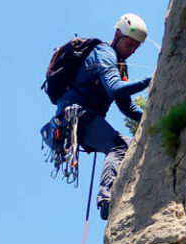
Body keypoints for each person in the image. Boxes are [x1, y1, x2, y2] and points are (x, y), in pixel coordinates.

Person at [53, 14, 151, 219]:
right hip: (76, 114)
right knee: (118, 147)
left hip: (82, 117)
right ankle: (105, 199)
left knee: (130, 145)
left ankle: (115, 192)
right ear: (117, 35)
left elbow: (126, 107)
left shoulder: (120, 65)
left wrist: (150, 118)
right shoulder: (105, 54)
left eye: (136, 47)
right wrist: (150, 80)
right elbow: (115, 89)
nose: (132, 50)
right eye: (129, 44)